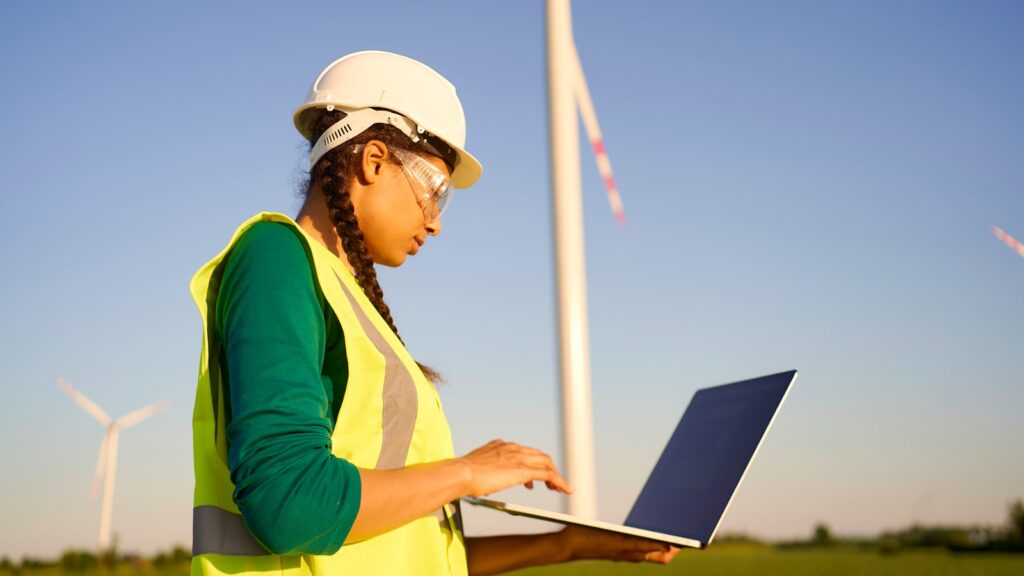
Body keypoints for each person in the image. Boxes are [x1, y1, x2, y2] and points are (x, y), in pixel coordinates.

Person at [188, 51, 680, 576]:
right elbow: (291, 505)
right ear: (373, 160)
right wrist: (465, 472)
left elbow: (415, 555)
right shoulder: (277, 257)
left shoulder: (353, 303)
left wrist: (567, 544)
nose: (436, 223)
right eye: (436, 193)